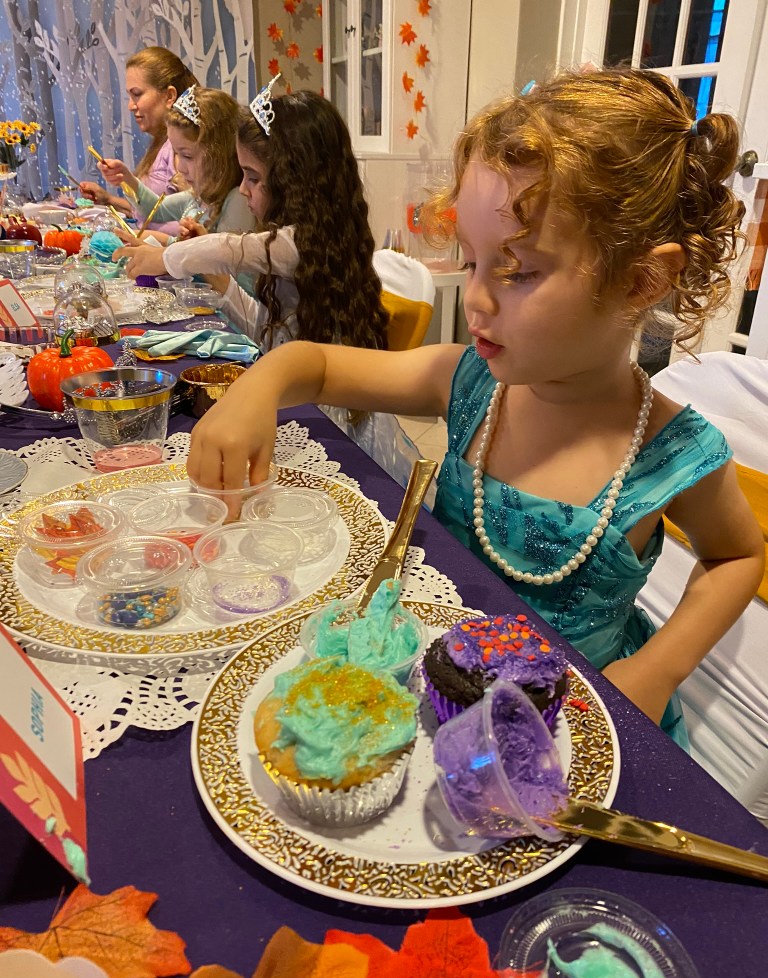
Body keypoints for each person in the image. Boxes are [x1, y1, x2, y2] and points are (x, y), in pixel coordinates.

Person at [185, 67, 765, 746]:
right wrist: (262, 385)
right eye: (473, 261)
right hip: (445, 696)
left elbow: (738, 558)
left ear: (641, 280)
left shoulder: (674, 454)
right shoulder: (468, 381)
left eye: (517, 271)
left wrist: (657, 670)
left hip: (578, 732)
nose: (478, 299)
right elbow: (314, 364)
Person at [116, 85, 387, 350]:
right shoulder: (300, 241)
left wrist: (164, 259)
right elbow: (266, 332)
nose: (244, 188)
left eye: (254, 177)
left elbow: (229, 249)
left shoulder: (298, 244)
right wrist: (212, 273)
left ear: (293, 182)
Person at [102, 86, 254, 239]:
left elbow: (226, 260)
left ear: (219, 154)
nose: (180, 168)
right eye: (176, 154)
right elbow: (156, 209)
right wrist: (127, 179)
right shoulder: (198, 196)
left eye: (187, 156)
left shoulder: (238, 200)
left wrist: (193, 244)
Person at [80, 47, 198, 213]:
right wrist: (108, 199)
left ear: (169, 96)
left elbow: (184, 224)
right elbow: (153, 213)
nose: (130, 106)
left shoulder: (179, 151)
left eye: (137, 94)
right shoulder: (162, 144)